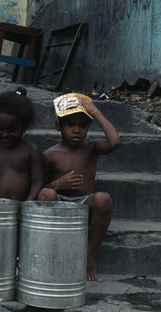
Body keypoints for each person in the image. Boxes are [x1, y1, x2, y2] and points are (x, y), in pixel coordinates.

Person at [38, 93, 121, 281]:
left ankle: (90, 253)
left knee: (104, 198)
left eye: (83, 125)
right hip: (58, 201)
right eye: (70, 125)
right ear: (58, 126)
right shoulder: (50, 154)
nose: (77, 130)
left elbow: (115, 141)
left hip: (85, 202)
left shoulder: (91, 149)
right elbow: (39, 188)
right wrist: (59, 184)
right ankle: (49, 249)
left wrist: (95, 112)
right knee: (46, 193)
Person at [0, 87, 44, 201]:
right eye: (0, 129)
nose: (5, 134)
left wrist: (28, 203)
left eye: (12, 130)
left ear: (24, 128)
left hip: (21, 207)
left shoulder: (31, 151)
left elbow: (38, 181)